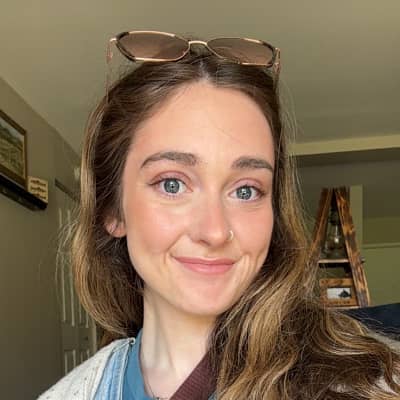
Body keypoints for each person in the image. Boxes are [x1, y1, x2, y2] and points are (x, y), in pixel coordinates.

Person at [39, 31, 400, 400]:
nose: (214, 231)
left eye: (246, 191)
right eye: (172, 184)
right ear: (112, 210)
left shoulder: (370, 383)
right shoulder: (71, 394)